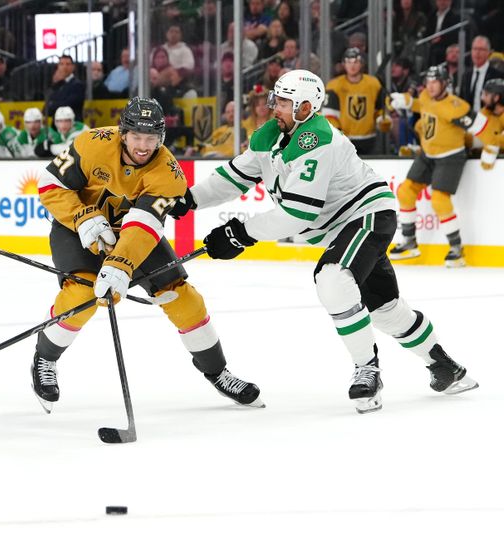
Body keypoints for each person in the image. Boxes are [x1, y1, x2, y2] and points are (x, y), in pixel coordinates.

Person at [170, 69, 478, 414]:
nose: (275, 107)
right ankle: (446, 368)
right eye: (277, 99)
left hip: (369, 215)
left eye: (284, 102)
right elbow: (232, 177)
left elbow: (297, 214)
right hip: (340, 228)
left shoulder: (317, 140)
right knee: (384, 309)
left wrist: (239, 233)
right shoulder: (270, 134)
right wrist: (189, 199)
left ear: (305, 108)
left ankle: (368, 370)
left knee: (332, 278)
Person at [30, 97, 263, 414]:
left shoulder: (169, 175)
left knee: (183, 298)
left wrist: (119, 266)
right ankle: (45, 358)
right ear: (123, 133)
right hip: (75, 230)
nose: (143, 145)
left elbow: (142, 227)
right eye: (137, 136)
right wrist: (83, 216)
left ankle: (218, 372)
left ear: (161, 138)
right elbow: (50, 184)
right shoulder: (91, 143)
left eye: (151, 138)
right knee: (82, 294)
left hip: (134, 236)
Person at [388, 65, 488, 267]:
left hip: (450, 157)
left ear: (445, 84)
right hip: (428, 154)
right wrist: (405, 101)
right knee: (406, 191)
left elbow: (481, 125)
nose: (430, 86)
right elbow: (422, 105)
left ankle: (456, 250)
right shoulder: (425, 96)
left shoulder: (456, 106)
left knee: (440, 200)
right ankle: (409, 242)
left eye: (435, 82)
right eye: (428, 82)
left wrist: (491, 145)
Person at [322, 48, 390, 155]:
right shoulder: (334, 85)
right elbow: (329, 115)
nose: (352, 66)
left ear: (362, 63)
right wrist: (337, 135)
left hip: (370, 140)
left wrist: (382, 120)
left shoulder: (374, 83)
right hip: (344, 141)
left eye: (355, 62)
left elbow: (379, 110)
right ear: (344, 64)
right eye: (348, 62)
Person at [458, 36, 504, 113]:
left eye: (481, 49)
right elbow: (461, 100)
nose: (477, 52)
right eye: (475, 49)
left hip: (491, 120)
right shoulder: (466, 75)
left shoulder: (498, 75)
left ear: (489, 52)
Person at [476, 78, 504, 170]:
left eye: (486, 94)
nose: (482, 98)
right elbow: (474, 136)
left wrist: (491, 142)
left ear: (496, 98)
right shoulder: (484, 113)